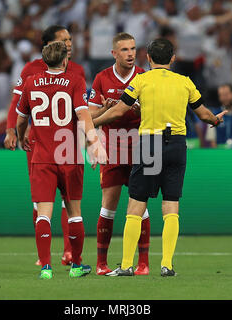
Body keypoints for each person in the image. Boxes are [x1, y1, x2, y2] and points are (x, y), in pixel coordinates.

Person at [93, 39, 226, 276]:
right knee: (171, 204)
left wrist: (91, 123)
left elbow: (118, 110)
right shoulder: (185, 82)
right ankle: (166, 265)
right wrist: (216, 120)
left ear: (149, 59)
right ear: (173, 59)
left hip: (149, 143)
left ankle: (125, 265)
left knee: (136, 205)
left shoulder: (141, 80)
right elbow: (203, 114)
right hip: (176, 144)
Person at [15, 41, 107, 279]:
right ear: (65, 60)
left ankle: (46, 267)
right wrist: (94, 142)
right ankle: (76, 266)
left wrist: (21, 135)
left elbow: (21, 118)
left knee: (44, 213)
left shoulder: (31, 82)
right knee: (74, 211)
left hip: (42, 156)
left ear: (44, 60)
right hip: (69, 155)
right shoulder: (75, 80)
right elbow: (83, 114)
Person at [4, 25, 86, 266]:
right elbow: (17, 104)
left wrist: (18, 129)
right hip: (42, 144)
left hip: (59, 146)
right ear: (48, 45)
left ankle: (66, 253)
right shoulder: (30, 69)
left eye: (70, 39)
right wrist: (11, 130)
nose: (69, 43)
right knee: (45, 202)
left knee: (58, 204)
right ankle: (49, 257)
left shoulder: (77, 71)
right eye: (64, 40)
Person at [87, 32, 150, 276]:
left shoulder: (145, 77)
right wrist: (104, 109)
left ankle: (143, 264)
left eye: (133, 48)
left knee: (140, 208)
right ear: (114, 53)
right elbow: (89, 116)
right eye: (124, 50)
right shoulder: (102, 78)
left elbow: (155, 111)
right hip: (111, 149)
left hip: (139, 148)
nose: (131, 53)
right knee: (108, 207)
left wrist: (141, 107)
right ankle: (102, 263)